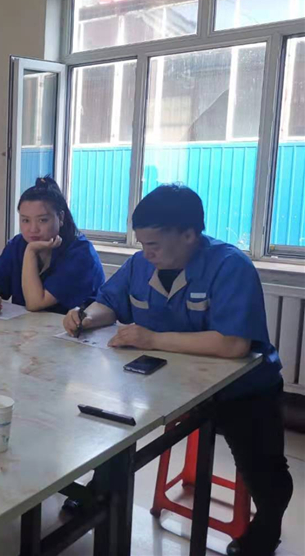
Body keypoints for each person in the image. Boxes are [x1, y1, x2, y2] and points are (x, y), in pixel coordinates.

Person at [62, 184, 292, 556]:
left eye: (153, 243)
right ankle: (100, 490)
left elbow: (233, 344)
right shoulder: (141, 264)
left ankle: (267, 527)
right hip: (166, 380)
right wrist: (85, 317)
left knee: (263, 466)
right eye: (142, 244)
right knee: (113, 422)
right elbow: (109, 302)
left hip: (242, 390)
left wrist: (153, 339)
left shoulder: (229, 266)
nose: (146, 252)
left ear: (189, 235)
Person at [0, 176, 104, 316]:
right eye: (25, 220)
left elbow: (35, 303)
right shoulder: (17, 245)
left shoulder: (81, 254)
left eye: (42, 220)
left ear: (61, 218)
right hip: (27, 327)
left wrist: (31, 251)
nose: (33, 229)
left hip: (71, 328)